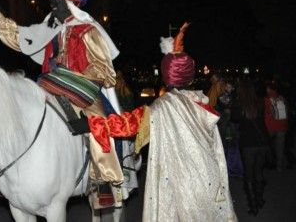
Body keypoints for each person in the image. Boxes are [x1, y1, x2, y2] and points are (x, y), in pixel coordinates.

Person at [0, 0, 135, 208]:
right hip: (50, 85)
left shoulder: (88, 31)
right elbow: (25, 39)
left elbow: (104, 72)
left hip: (84, 90)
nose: (51, 6)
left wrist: (72, 79)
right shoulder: (52, 28)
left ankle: (103, 181)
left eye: (55, 1)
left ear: (70, 3)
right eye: (51, 1)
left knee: (99, 122)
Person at [87, 23, 237, 221]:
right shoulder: (202, 103)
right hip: (209, 182)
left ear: (166, 76)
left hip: (180, 188)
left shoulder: (161, 107)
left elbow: (125, 125)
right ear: (189, 75)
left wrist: (91, 122)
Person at [231, 79, 269, 216]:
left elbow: (234, 119)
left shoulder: (238, 104)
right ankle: (259, 200)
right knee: (258, 172)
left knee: (248, 174)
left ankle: (253, 205)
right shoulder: (259, 102)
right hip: (262, 142)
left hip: (248, 144)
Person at [264, 82, 288, 171]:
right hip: (282, 126)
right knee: (280, 147)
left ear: (269, 89)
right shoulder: (282, 99)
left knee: (266, 145)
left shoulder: (266, 100)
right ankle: (279, 166)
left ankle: (267, 163)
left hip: (270, 126)